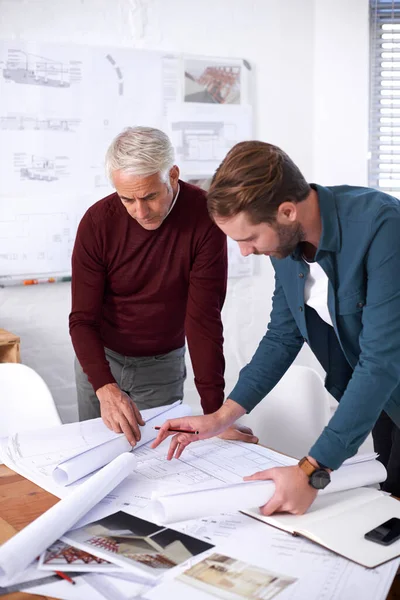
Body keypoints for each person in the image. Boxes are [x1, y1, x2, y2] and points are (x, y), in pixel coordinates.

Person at [152, 139, 400, 515]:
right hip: (381, 398)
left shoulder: (382, 227)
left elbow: (380, 361)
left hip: (385, 376)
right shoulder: (287, 246)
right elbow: (283, 336)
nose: (245, 251)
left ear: (287, 211)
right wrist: (221, 417)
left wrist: (311, 470)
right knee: (388, 506)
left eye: (249, 238)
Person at [69, 127, 258, 447]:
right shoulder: (98, 222)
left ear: (172, 175)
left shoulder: (204, 218)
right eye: (127, 199)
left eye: (150, 196)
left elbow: (203, 321)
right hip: (100, 360)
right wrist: (105, 386)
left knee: (155, 461)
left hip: (161, 364)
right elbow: (82, 320)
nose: (140, 211)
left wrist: (215, 415)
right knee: (93, 455)